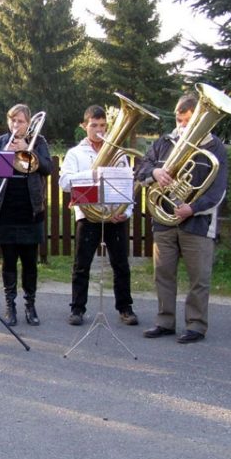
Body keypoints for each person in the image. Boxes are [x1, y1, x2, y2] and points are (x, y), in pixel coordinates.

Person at [136, 93, 228, 343]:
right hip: (164, 220)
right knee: (163, 273)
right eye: (179, 120)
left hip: (196, 222)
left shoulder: (214, 147)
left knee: (199, 277)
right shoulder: (164, 142)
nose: (182, 125)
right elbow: (141, 169)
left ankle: (196, 325)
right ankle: (165, 321)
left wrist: (193, 207)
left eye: (188, 121)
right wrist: (155, 172)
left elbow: (219, 190)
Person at [59, 105, 139, 326]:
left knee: (121, 264)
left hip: (115, 217)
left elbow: (127, 185)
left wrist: (126, 212)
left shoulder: (118, 153)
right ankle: (77, 309)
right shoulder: (75, 153)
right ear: (84, 126)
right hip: (88, 216)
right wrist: (92, 173)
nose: (99, 130)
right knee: (82, 265)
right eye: (94, 125)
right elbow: (64, 183)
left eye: (103, 125)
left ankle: (125, 308)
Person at [0, 104, 53, 326]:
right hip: (6, 209)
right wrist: (6, 153)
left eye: (21, 121)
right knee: (8, 261)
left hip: (30, 209)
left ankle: (30, 305)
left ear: (29, 124)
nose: (16, 125)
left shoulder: (39, 142)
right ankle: (10, 305)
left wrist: (28, 149)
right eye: (13, 120)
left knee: (29, 262)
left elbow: (47, 168)